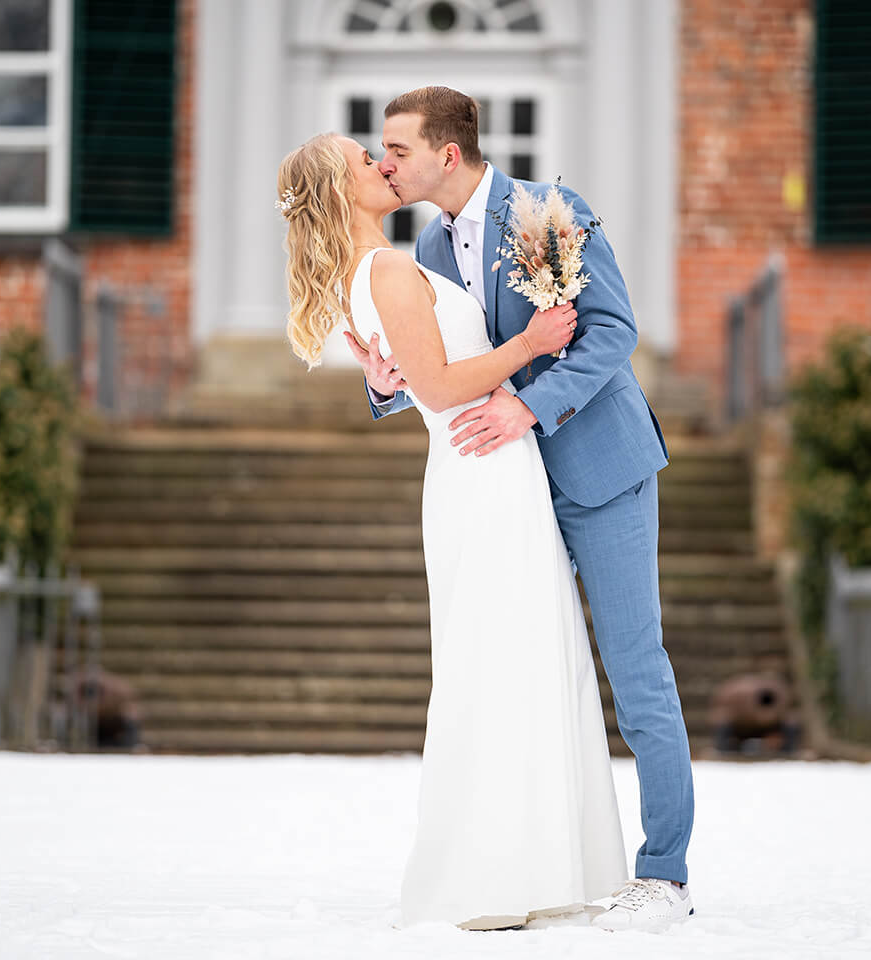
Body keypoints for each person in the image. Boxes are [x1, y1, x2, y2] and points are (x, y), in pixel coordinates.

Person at [348, 86, 696, 932]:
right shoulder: (427, 244)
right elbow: (448, 363)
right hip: (508, 494)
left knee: (633, 666)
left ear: (449, 153)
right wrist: (383, 386)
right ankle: (536, 861)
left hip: (598, 469)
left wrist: (531, 408)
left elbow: (612, 332)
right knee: (529, 677)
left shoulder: (549, 213)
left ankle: (664, 874)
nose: (385, 162)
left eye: (397, 148)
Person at [277, 132, 625, 931]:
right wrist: (530, 345)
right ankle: (492, 877)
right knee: (500, 662)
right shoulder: (390, 270)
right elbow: (436, 388)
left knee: (524, 656)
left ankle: (538, 866)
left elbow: (410, 375)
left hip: (493, 468)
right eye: (366, 160)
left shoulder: (386, 268)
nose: (383, 164)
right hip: (483, 470)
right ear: (341, 189)